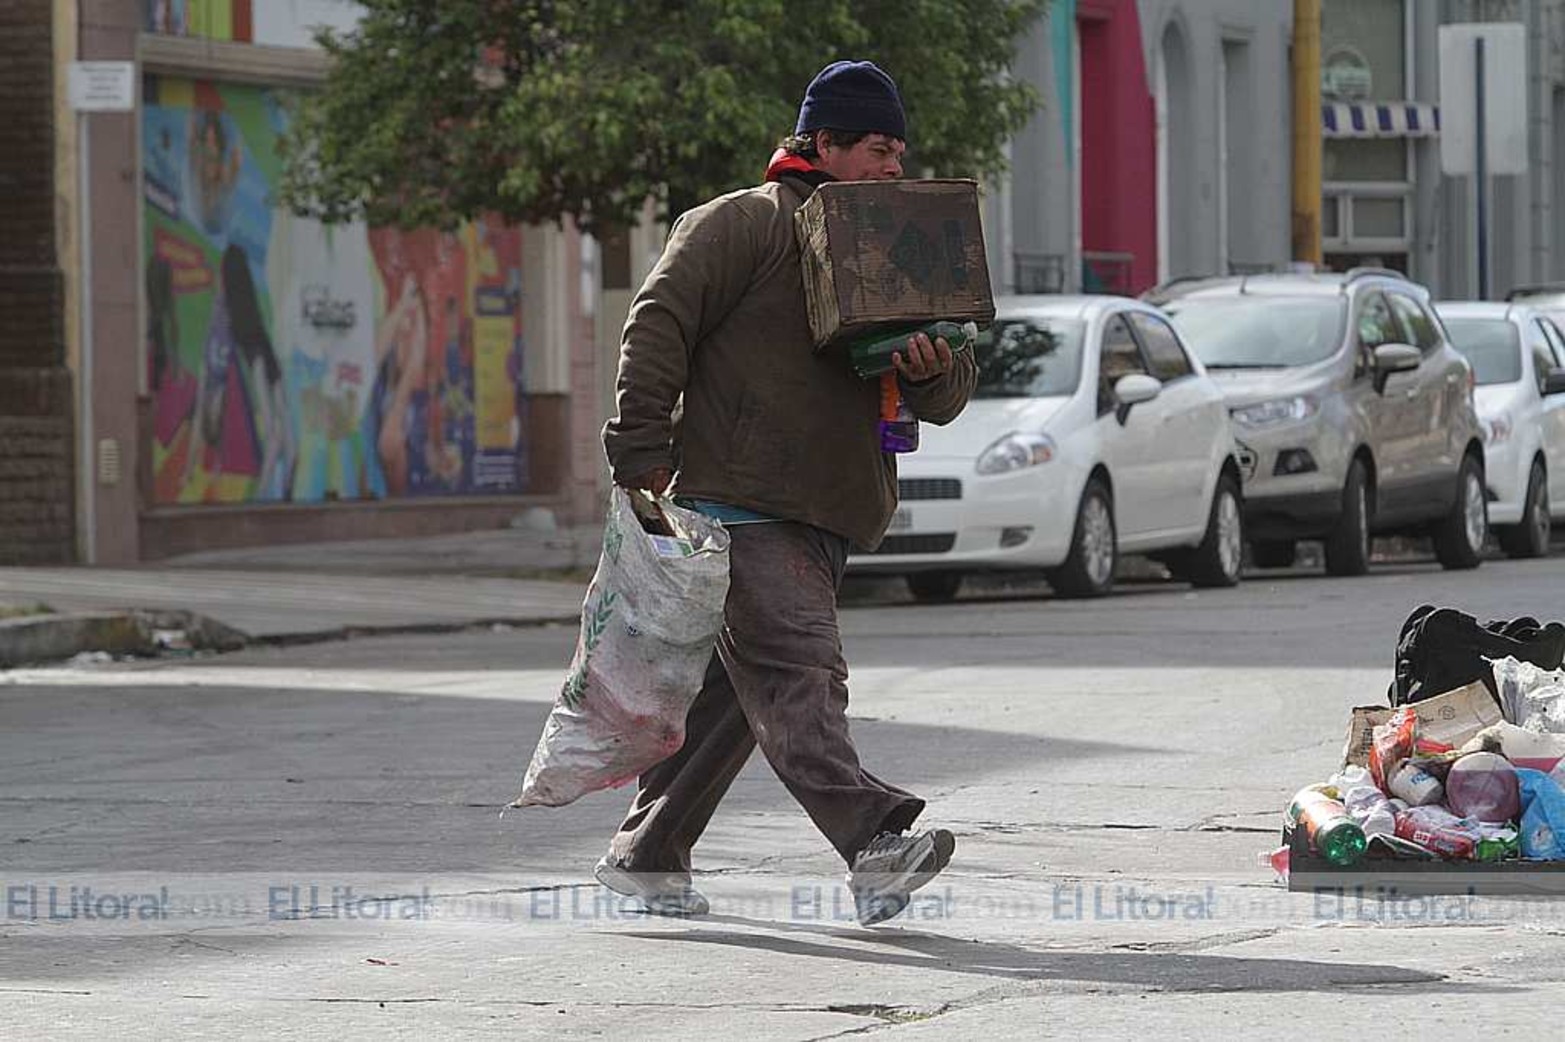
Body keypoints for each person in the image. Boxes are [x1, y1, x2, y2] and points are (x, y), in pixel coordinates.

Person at [597, 60, 977, 926]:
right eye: (877, 149)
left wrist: (930, 370)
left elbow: (949, 393)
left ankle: (646, 857)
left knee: (739, 701)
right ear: (825, 144)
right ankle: (875, 843)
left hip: (831, 508)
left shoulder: (899, 246)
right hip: (740, 502)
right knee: (802, 676)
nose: (891, 167)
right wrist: (639, 448)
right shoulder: (740, 225)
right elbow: (655, 324)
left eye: (899, 153)